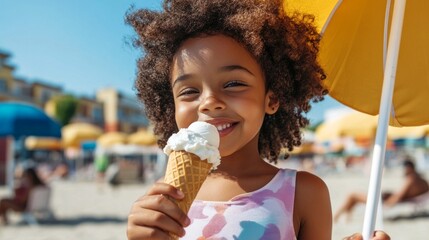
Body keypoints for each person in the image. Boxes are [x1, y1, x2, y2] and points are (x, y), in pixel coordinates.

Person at [125, 0, 390, 239]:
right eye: (189, 91)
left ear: (271, 100)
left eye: (233, 83)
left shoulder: (305, 193)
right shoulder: (164, 202)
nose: (208, 101)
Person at [334, 159, 429, 222]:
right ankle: (346, 214)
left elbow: (398, 197)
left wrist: (385, 204)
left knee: (353, 195)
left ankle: (337, 216)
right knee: (354, 196)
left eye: (405, 168)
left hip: (384, 201)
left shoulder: (411, 179)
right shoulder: (421, 179)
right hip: (391, 198)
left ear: (409, 168)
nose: (403, 171)